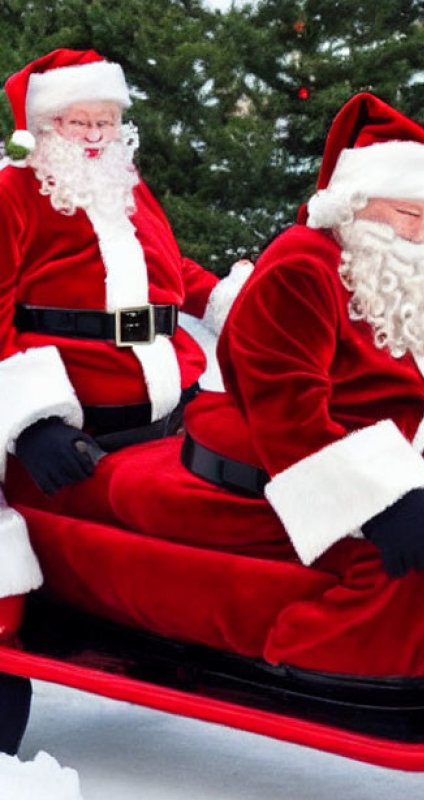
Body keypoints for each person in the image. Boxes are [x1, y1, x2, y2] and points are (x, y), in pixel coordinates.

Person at [6, 92, 424, 681]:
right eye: (410, 215)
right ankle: (307, 652)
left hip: (384, 443)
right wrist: (379, 501)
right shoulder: (302, 268)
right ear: (353, 204)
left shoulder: (412, 269)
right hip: (266, 469)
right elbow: (288, 414)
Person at [0, 48, 251, 754]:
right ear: (42, 126)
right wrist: (34, 423)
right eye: (79, 121)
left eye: (106, 121)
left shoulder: (125, 188)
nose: (94, 136)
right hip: (77, 428)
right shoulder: (14, 194)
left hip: (170, 408)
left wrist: (235, 301)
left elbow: (174, 273)